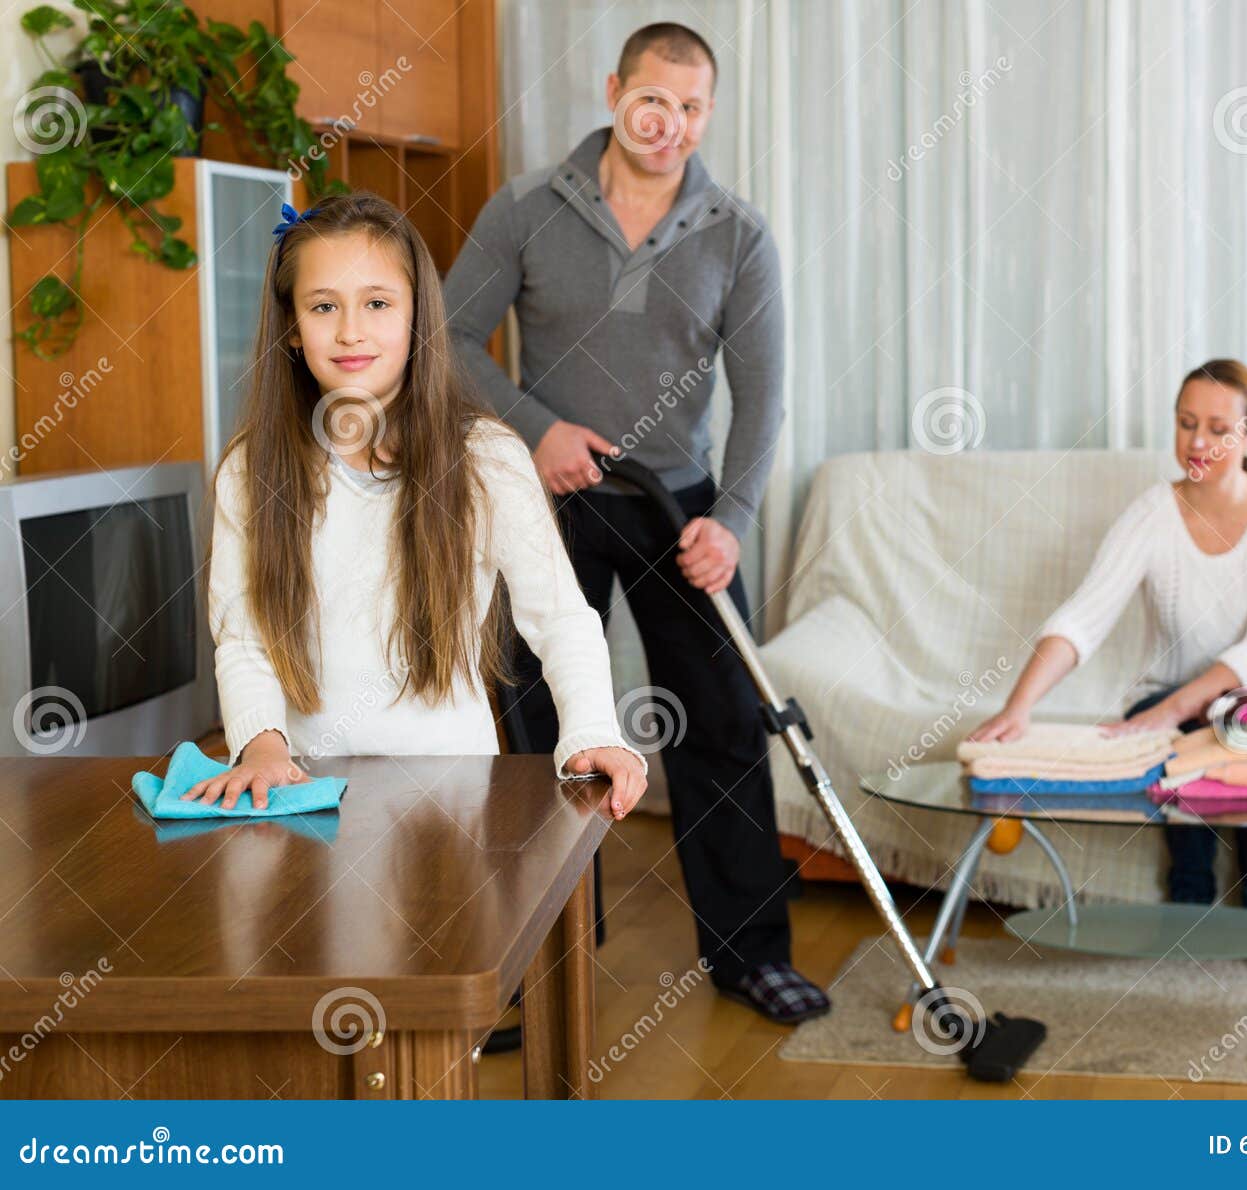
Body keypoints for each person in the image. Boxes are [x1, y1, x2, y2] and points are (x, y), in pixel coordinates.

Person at [443, 23, 828, 1022]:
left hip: (680, 507)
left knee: (724, 725)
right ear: (616, 90)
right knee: (536, 730)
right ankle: (534, 965)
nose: (671, 124)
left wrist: (732, 518)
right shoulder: (527, 207)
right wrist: (534, 428)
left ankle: (749, 957)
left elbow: (764, 396)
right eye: (654, 99)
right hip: (549, 501)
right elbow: (445, 339)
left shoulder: (736, 233)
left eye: (693, 107)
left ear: (709, 113)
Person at [185, 191, 647, 824]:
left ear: (417, 315)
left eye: (377, 303)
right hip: (302, 798)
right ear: (292, 327)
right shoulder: (250, 468)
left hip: (454, 799)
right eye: (324, 306)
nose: (350, 330)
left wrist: (592, 729)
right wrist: (261, 747)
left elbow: (562, 619)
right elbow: (243, 637)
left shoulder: (488, 459)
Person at [969, 359, 1247, 933]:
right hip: (1171, 696)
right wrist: (1019, 706)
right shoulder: (1152, 512)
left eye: (1217, 428)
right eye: (1186, 424)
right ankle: (1189, 913)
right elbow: (1085, 615)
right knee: (1181, 754)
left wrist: (1171, 711)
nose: (1198, 442)